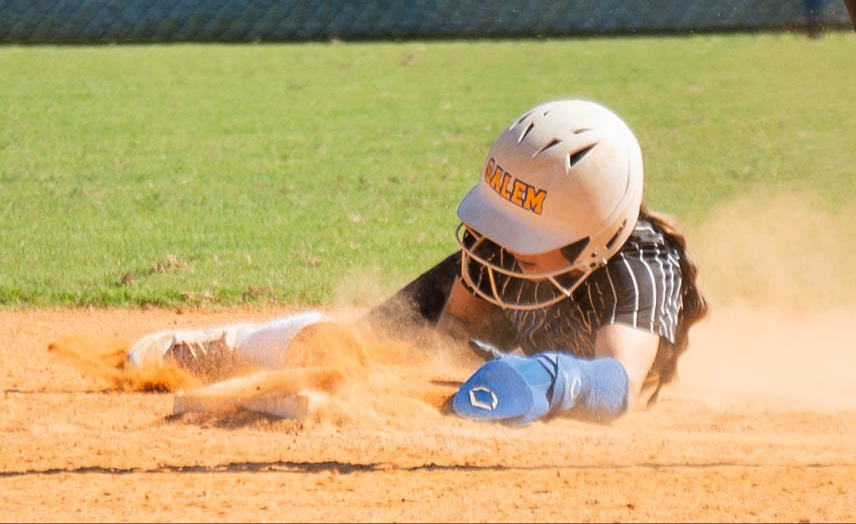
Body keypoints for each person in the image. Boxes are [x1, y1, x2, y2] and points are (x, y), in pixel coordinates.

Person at [126, 98, 708, 427]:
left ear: (592, 239)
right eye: (499, 225)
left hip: (556, 371)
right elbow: (451, 333)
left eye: (523, 233)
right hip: (515, 349)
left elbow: (616, 386)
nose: (499, 246)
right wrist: (435, 369)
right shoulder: (504, 250)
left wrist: (539, 379)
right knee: (353, 347)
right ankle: (239, 345)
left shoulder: (640, 268)